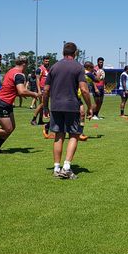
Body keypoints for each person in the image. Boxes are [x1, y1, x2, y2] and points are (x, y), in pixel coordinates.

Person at [43, 42, 93, 179]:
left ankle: (56, 168)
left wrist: (45, 106)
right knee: (74, 135)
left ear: (63, 52)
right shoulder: (78, 67)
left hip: (56, 106)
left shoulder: (54, 67)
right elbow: (84, 89)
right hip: (72, 106)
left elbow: (46, 89)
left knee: (59, 136)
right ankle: (66, 167)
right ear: (75, 53)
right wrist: (90, 107)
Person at [0, 56, 39, 153]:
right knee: (8, 129)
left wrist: (19, 93)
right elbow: (22, 91)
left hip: (6, 103)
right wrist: (34, 94)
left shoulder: (11, 71)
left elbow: (10, 88)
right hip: (1, 103)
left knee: (11, 127)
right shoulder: (19, 74)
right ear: (24, 64)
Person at [30, 56, 51, 125]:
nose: (47, 62)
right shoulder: (39, 69)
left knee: (43, 105)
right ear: (43, 61)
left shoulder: (49, 69)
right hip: (41, 89)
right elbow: (37, 80)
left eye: (48, 61)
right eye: (46, 61)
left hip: (47, 89)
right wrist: (39, 90)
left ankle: (40, 120)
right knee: (42, 104)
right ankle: (33, 119)